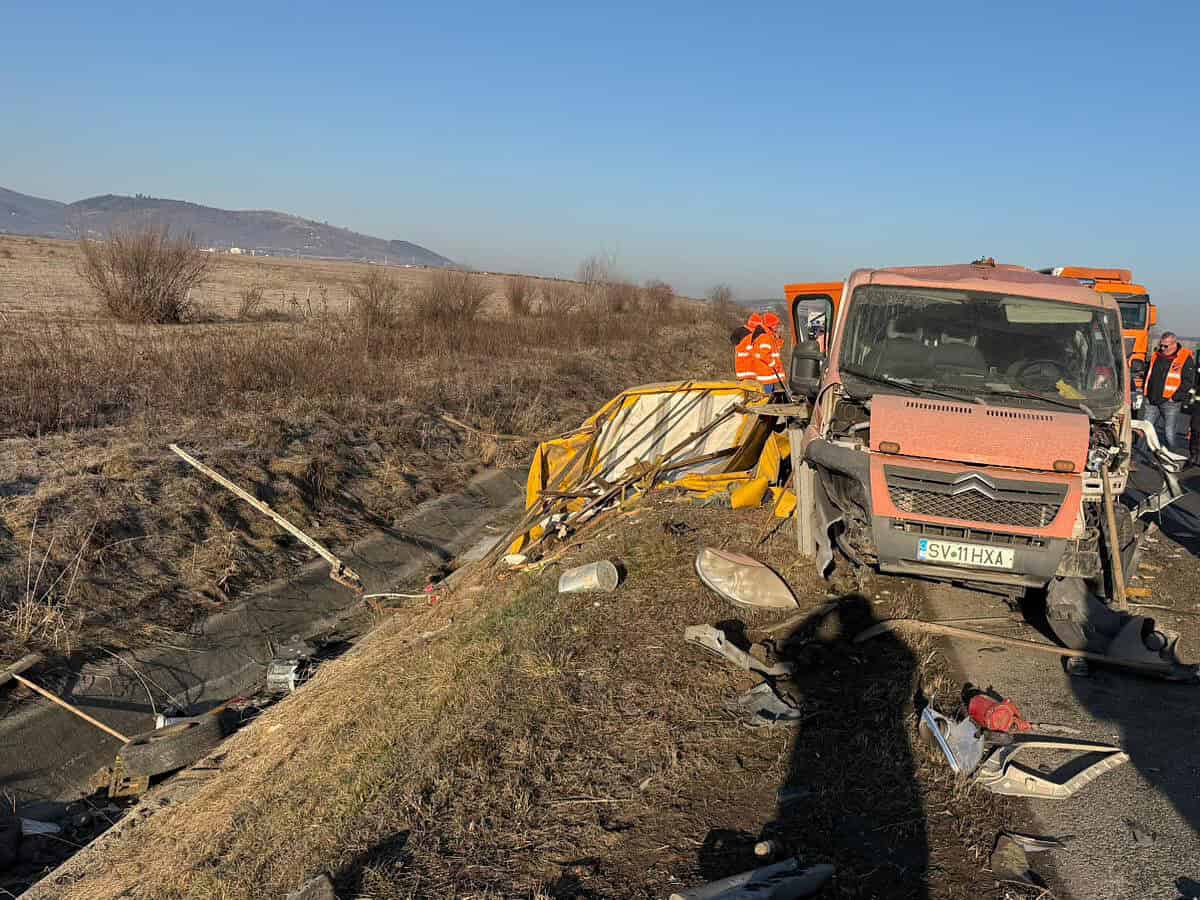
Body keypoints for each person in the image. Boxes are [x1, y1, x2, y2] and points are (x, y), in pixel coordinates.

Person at [1141, 332, 1196, 454]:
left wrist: (1175, 397)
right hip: (1152, 400)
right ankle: (1140, 455)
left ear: (1174, 344)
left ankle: (1171, 454)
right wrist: (1145, 392)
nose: (1162, 348)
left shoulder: (1184, 357)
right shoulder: (1156, 355)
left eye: (1165, 346)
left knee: (1169, 432)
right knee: (1145, 429)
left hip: (1170, 402)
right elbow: (1148, 374)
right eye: (1161, 345)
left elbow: (1188, 381)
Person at [751, 312, 785, 394]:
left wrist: (779, 338)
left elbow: (776, 348)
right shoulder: (765, 337)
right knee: (768, 396)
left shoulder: (769, 335)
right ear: (771, 325)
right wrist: (773, 363)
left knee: (770, 394)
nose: (777, 326)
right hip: (767, 373)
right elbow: (763, 354)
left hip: (768, 372)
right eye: (776, 325)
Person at [733, 313, 762, 382]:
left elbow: (733, 340)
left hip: (742, 370)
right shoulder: (759, 334)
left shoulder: (739, 331)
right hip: (754, 371)